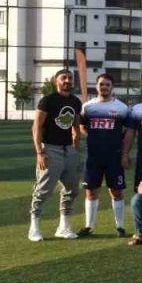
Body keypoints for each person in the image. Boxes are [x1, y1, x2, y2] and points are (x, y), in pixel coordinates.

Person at [28, 69, 83, 242]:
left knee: (72, 190)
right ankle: (34, 228)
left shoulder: (75, 101)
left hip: (68, 150)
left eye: (70, 78)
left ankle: (63, 227)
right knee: (43, 191)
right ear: (55, 81)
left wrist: (74, 146)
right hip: (50, 149)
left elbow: (76, 126)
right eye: (64, 78)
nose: (67, 81)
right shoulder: (47, 101)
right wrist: (39, 152)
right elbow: (36, 127)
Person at [79, 72, 130, 236]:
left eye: (107, 84)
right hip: (93, 156)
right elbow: (82, 126)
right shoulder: (88, 107)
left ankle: (120, 226)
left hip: (114, 156)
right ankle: (89, 226)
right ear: (97, 86)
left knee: (116, 191)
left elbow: (127, 131)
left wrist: (124, 153)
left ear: (112, 87)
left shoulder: (121, 108)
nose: (104, 87)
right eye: (101, 84)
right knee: (91, 191)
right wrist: (95, 138)